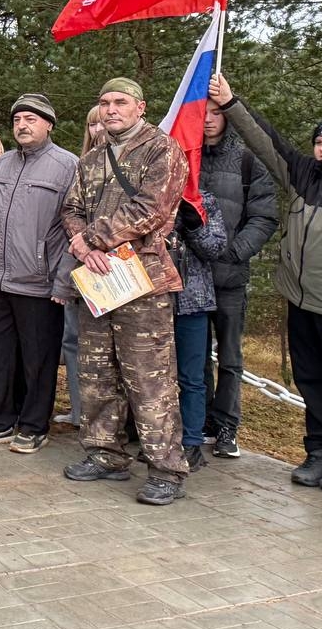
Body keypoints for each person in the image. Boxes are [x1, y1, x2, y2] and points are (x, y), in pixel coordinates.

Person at [211, 74, 322, 494]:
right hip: (302, 300)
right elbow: (266, 141)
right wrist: (232, 101)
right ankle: (320, 451)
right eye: (319, 142)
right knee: (312, 381)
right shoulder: (305, 174)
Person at [60, 77, 190, 506]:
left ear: (140, 106)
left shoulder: (162, 150)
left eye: (120, 102)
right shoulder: (92, 159)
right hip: (98, 280)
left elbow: (152, 208)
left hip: (142, 281)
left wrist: (92, 239)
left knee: (149, 378)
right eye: (105, 102)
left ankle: (166, 468)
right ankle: (104, 452)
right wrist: (80, 241)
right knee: (97, 371)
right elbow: (71, 208)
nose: (111, 109)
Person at [0, 94, 78, 454]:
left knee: (38, 359)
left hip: (40, 283)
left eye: (31, 119)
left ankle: (32, 425)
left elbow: (76, 229)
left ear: (48, 124)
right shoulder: (0, 166)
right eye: (17, 120)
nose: (22, 126)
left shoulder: (68, 166)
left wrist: (63, 280)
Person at [199, 96, 278, 458]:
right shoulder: (184, 157)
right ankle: (200, 421)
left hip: (230, 279)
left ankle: (227, 425)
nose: (209, 120)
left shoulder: (248, 161)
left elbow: (264, 216)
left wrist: (234, 252)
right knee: (194, 356)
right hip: (191, 277)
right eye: (204, 113)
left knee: (229, 357)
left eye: (217, 113)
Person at [55, 106, 106, 426]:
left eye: (103, 121)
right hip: (79, 266)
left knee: (109, 350)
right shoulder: (80, 166)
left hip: (117, 268)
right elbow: (69, 216)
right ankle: (79, 411)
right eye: (93, 123)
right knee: (72, 341)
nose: (99, 128)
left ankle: (111, 420)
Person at [172, 191, 227, 473]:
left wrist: (194, 225)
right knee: (151, 378)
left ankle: (191, 442)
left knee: (191, 377)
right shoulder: (143, 194)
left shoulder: (202, 200)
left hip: (192, 300)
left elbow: (215, 248)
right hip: (150, 300)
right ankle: (159, 439)